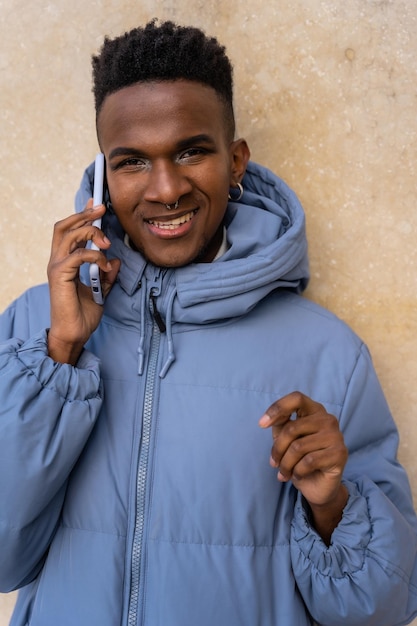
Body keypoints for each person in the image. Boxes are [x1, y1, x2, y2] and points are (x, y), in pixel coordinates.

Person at [0, 19, 416, 626]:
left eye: (191, 151)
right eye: (132, 161)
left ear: (236, 160)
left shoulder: (329, 354)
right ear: (101, 177)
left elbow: (381, 608)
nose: (165, 189)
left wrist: (331, 503)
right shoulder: (34, 328)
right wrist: (60, 353)